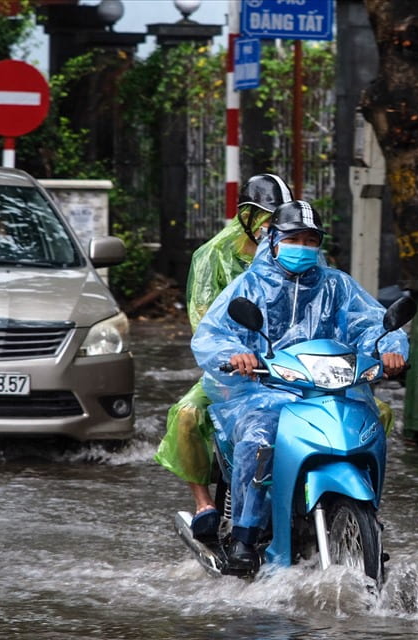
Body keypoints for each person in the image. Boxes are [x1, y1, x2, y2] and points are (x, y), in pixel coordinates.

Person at [191, 199, 409, 573]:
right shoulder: (250, 285)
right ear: (273, 240)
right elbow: (214, 334)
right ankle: (245, 535)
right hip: (264, 389)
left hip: (329, 386)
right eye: (295, 239)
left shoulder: (336, 285)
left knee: (367, 427)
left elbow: (370, 323)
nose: (303, 248)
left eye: (311, 241)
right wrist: (238, 354)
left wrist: (389, 347)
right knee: (261, 440)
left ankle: (366, 520)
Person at [154, 173, 293, 541]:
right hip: (235, 371)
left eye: (276, 217)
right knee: (186, 415)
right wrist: (234, 354)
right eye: (264, 216)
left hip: (296, 369)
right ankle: (205, 504)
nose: (270, 226)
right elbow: (204, 322)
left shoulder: (295, 249)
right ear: (246, 215)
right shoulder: (212, 255)